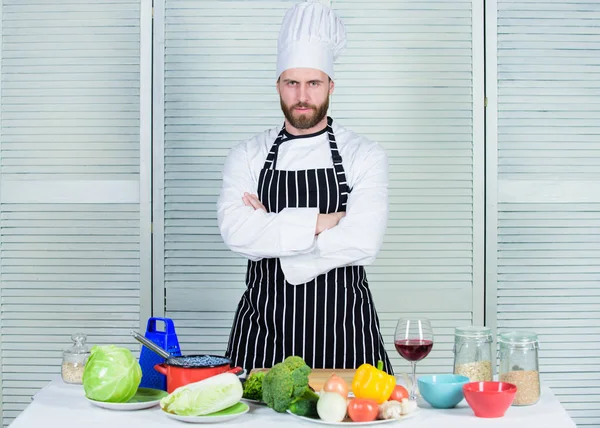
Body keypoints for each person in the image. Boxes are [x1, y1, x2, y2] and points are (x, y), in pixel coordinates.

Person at [217, 0, 392, 374]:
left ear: (330, 84)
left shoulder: (364, 154)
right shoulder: (248, 154)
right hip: (263, 331)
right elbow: (236, 232)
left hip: (345, 332)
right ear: (278, 84)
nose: (302, 95)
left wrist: (272, 231)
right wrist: (325, 221)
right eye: (291, 82)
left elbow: (364, 240)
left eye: (313, 83)